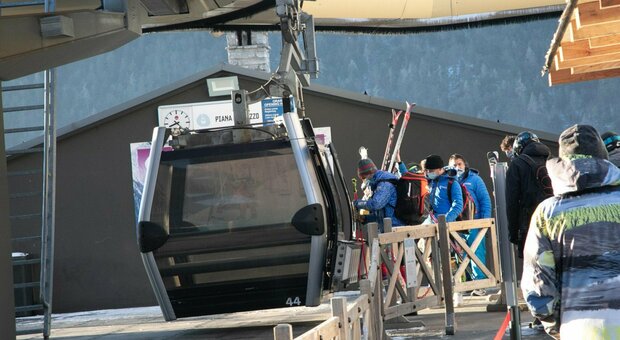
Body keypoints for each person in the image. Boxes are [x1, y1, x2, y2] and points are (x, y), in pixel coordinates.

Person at [521, 124, 620, 339]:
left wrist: (555, 327)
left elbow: (537, 286)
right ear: (604, 158)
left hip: (580, 329)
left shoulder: (547, 213)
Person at [448, 154, 492, 295]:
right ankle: (467, 284)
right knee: (460, 254)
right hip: (457, 225)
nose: (457, 167)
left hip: (474, 222)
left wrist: (484, 222)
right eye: (454, 165)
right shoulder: (449, 182)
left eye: (459, 164)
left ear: (465, 165)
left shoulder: (475, 180)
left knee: (476, 252)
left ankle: (480, 284)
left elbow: (485, 200)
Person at [505, 131, 551, 259]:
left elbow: (512, 202)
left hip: (530, 224)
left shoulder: (516, 165)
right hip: (555, 220)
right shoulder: (550, 160)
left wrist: (513, 234)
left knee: (534, 268)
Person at [353, 158, 403, 232]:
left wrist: (357, 203)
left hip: (397, 230)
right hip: (389, 229)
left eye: (363, 178)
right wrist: (365, 218)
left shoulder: (385, 184)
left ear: (370, 173)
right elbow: (381, 214)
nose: (364, 181)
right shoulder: (377, 184)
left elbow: (376, 204)